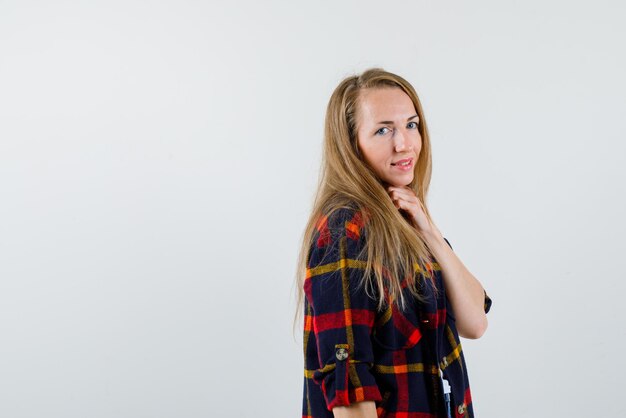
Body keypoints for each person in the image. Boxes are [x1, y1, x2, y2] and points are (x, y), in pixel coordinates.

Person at [294, 68, 492, 418]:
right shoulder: (344, 230)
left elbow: (475, 321)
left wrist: (430, 233)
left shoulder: (406, 221)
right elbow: (349, 384)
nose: (405, 144)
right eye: (383, 130)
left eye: (411, 125)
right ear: (350, 143)